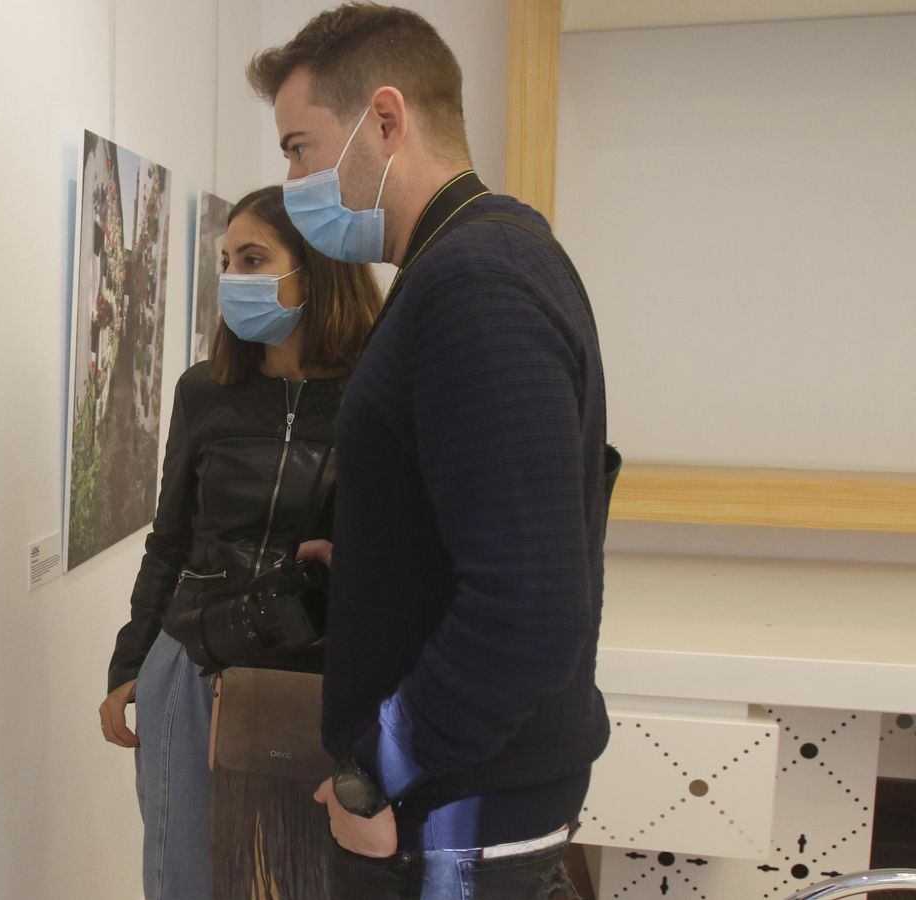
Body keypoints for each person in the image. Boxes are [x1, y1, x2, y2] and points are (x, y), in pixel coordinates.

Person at [247, 5, 621, 898]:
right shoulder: (476, 261)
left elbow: (529, 609)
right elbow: (500, 520)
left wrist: (374, 770)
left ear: (385, 119)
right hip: (458, 799)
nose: (292, 177)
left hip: (455, 816)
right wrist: (382, 564)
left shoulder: (476, 283)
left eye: (300, 148)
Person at [99, 186, 385, 900]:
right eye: (227, 261)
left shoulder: (376, 397)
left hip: (312, 682)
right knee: (182, 878)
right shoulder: (205, 391)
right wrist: (130, 662)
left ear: (316, 269)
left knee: (303, 879)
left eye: (254, 259)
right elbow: (169, 539)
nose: (234, 278)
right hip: (189, 669)